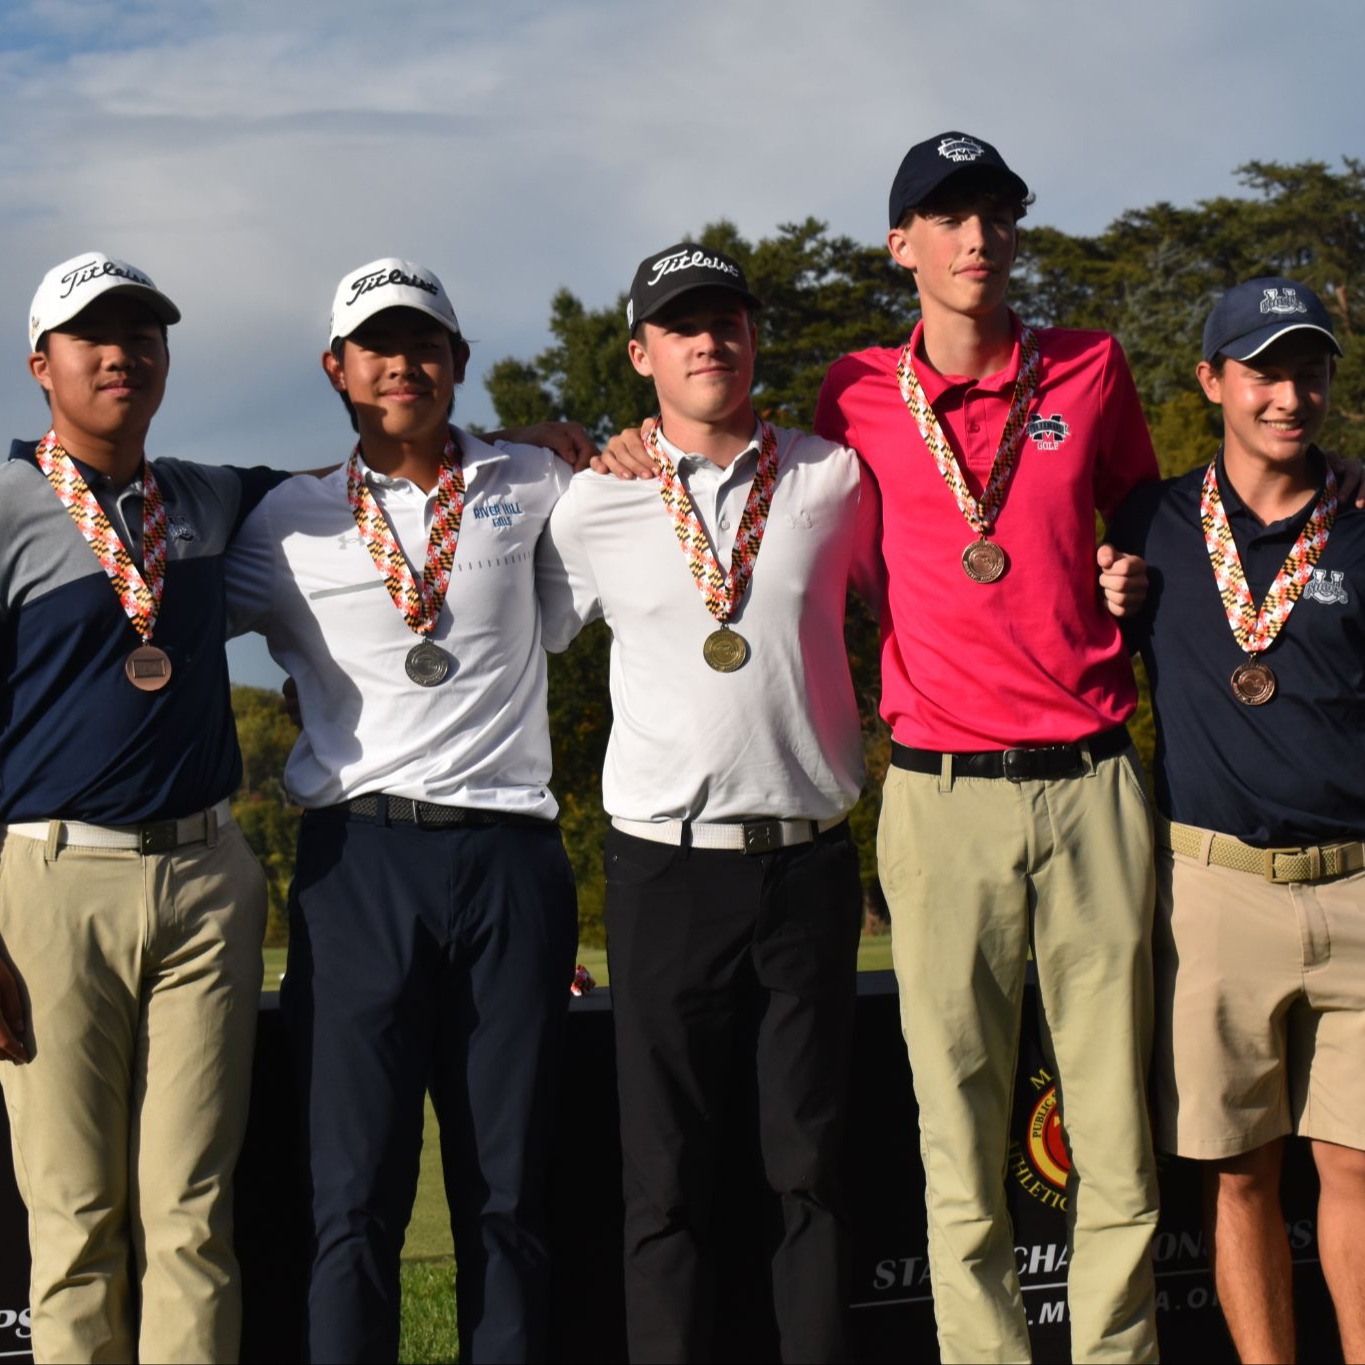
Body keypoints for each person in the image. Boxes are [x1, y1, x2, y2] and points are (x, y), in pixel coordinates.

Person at [812, 133, 1162, 1363]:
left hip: (1094, 785)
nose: (976, 239)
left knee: (1115, 1125)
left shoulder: (1091, 368)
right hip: (940, 797)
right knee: (956, 1133)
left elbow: (1151, 518)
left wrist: (1136, 572)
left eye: (995, 215)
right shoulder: (851, 393)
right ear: (900, 244)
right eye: (946, 217)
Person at [224, 258, 580, 1364]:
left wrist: (578, 433)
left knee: (509, 1193)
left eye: (423, 344)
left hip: (511, 860)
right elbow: (159, 614)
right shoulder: (286, 519)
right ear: (337, 368)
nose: (402, 365)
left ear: (458, 363)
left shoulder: (536, 480)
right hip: (359, 866)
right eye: (376, 345)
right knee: (353, 1200)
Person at [536, 243, 883, 1363]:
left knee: (810, 1172)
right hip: (666, 865)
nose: (708, 340)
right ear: (639, 355)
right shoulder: (594, 501)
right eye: (681, 325)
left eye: (726, 319)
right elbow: (513, 627)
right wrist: (537, 445)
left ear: (752, 339)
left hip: (810, 863)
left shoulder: (834, 475)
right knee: (666, 1178)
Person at [0, 252, 286, 1364]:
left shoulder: (209, 497)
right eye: (93, 338)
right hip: (50, 883)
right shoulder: (9, 502)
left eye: (144, 334)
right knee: (73, 1222)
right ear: (43, 365)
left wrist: (543, 444)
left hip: (208, 882)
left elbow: (366, 482)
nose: (124, 354)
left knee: (192, 1215)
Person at [1108, 278, 1365, 1364]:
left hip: (1358, 886)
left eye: (1307, 370)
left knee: (1357, 1168)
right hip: (1213, 889)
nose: (1287, 395)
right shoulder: (1150, 523)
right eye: (1261, 369)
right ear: (1212, 381)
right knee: (1240, 1170)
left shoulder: (1361, 515)